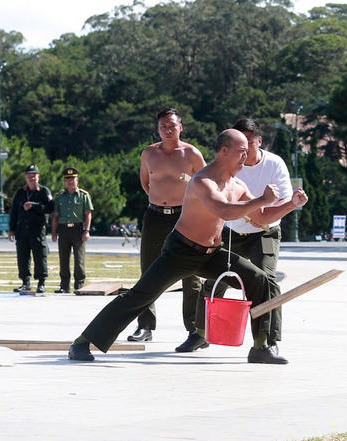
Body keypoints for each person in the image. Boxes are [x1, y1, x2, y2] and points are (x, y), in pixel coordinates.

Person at [67, 129, 305, 364]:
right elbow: (224, 211)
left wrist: (291, 205)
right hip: (181, 251)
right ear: (224, 151)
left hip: (212, 254)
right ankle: (83, 341)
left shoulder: (237, 185)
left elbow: (262, 218)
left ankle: (261, 346)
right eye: (241, 151)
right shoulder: (203, 181)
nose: (247, 156)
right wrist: (261, 199)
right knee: (140, 296)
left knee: (260, 280)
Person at [188, 118, 308, 355]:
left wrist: (292, 204)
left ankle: (265, 342)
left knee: (266, 281)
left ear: (259, 142)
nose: (243, 152)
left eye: (248, 144)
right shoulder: (230, 165)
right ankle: (200, 333)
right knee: (214, 280)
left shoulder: (274, 165)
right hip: (232, 232)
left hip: (265, 232)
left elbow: (281, 205)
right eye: (239, 145)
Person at [126, 108, 206, 343]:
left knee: (190, 273)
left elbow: (206, 185)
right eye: (163, 127)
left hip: (184, 216)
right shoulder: (149, 153)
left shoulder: (192, 154)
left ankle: (194, 328)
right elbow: (146, 183)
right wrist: (161, 202)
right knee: (148, 271)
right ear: (157, 128)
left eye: (172, 126)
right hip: (155, 216)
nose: (167, 130)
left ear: (181, 127)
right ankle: (145, 326)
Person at [8, 164, 54, 293]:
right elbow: (14, 212)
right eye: (29, 176)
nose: (32, 178)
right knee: (23, 257)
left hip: (37, 229)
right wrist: (11, 229)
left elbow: (50, 208)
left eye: (34, 176)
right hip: (22, 230)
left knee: (40, 256)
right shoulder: (20, 192)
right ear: (25, 178)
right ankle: (25, 282)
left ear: (38, 177)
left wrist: (34, 206)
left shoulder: (44, 191)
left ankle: (41, 282)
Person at [51, 167, 94, 294]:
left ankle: (79, 286)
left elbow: (88, 214)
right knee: (63, 259)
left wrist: (86, 230)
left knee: (79, 259)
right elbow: (55, 216)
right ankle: (64, 286)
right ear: (64, 181)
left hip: (78, 229)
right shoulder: (59, 197)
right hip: (63, 230)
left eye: (72, 179)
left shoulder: (83, 196)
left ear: (77, 180)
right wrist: (54, 233)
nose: (70, 181)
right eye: (67, 179)